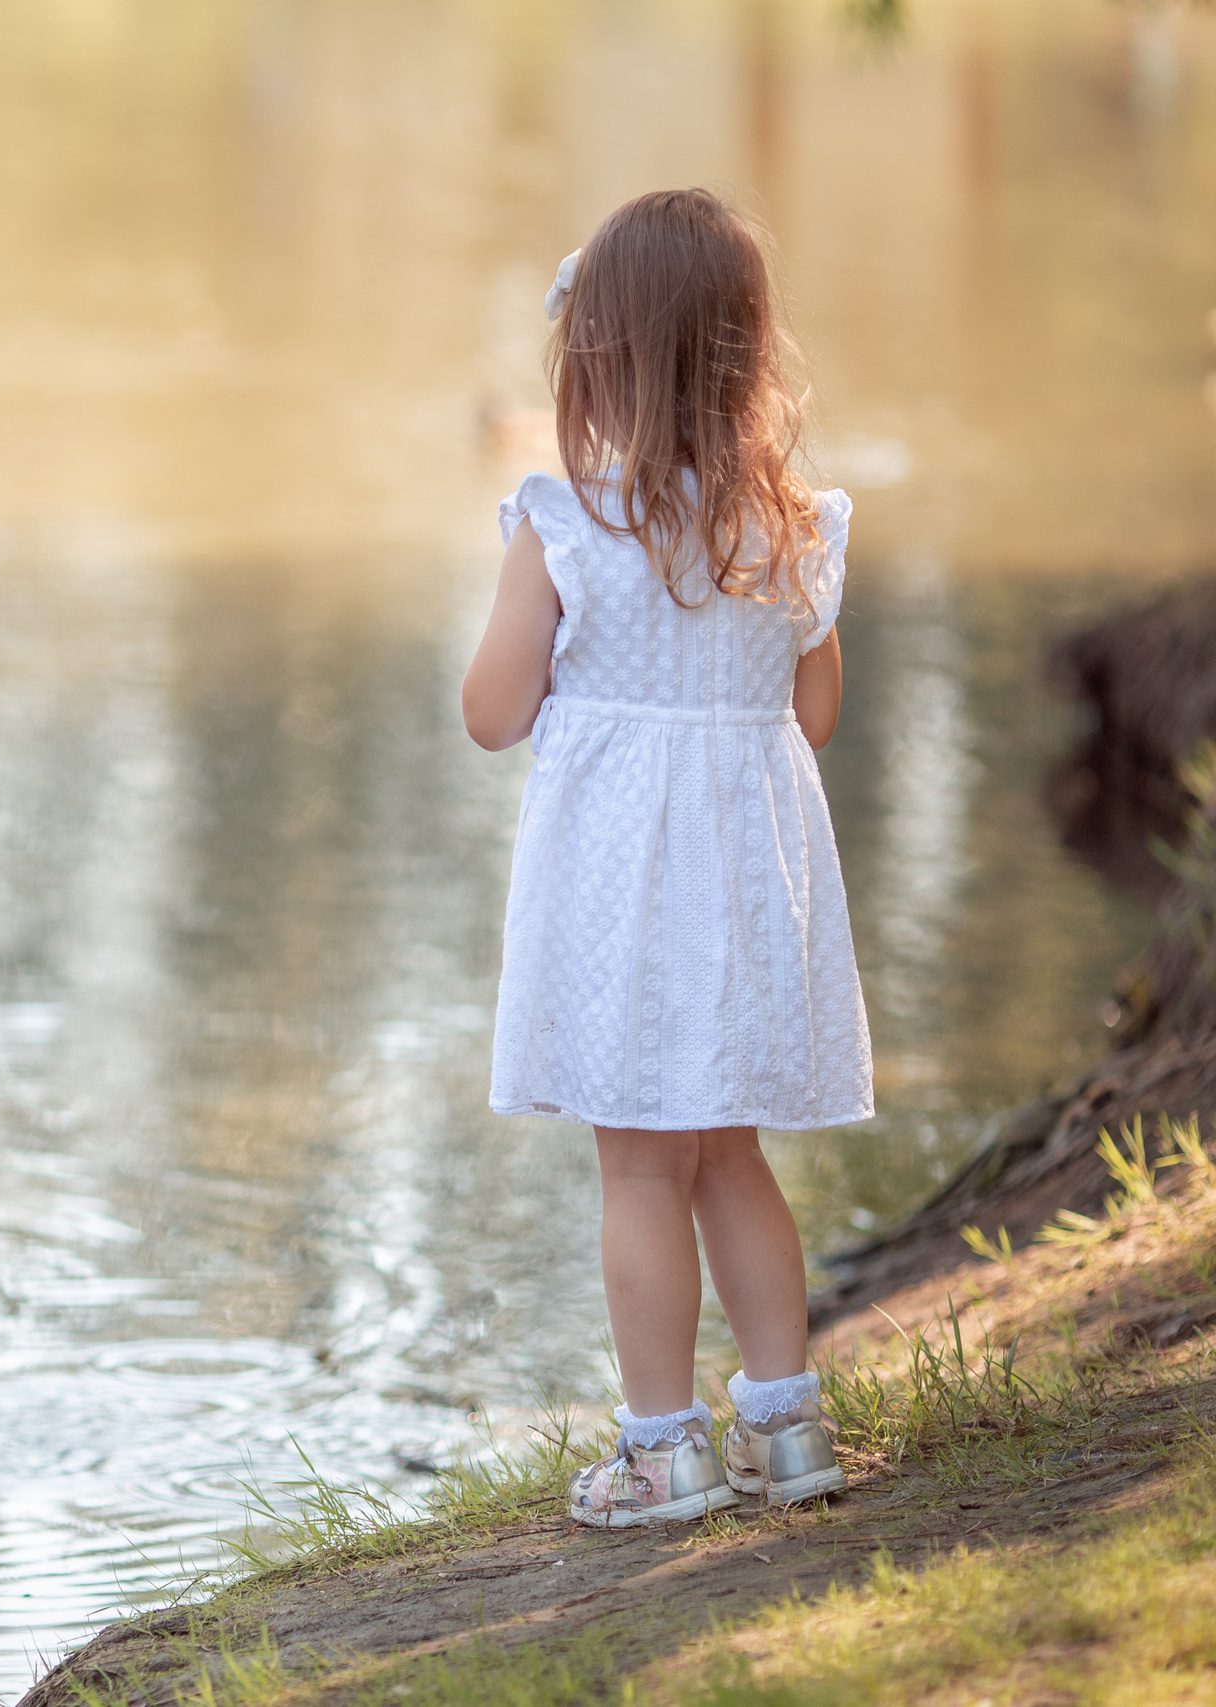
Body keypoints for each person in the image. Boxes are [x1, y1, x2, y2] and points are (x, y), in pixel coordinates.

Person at [460, 189, 872, 1528]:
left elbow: (491, 712)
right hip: (751, 883)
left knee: (639, 1165)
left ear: (602, 359)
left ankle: (659, 1451)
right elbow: (812, 715)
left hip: (620, 889)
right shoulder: (791, 527)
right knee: (731, 1153)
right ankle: (787, 1428)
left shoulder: (567, 522)